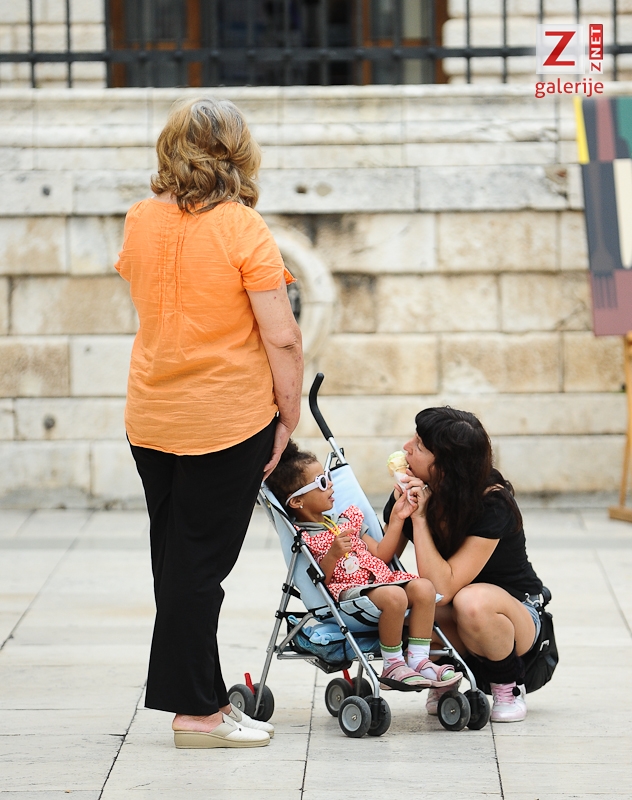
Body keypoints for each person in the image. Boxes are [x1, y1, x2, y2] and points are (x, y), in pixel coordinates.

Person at [114, 97, 303, 749]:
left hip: (151, 416)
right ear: (238, 152)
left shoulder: (140, 218)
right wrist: (289, 412)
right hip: (225, 420)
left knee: (177, 564)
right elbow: (282, 336)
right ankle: (196, 714)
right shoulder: (242, 227)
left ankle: (204, 700)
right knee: (196, 570)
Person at [383, 407, 544, 723]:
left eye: (419, 446)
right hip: (452, 611)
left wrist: (420, 520)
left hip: (512, 614)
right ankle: (445, 676)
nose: (406, 448)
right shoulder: (415, 491)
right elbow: (381, 561)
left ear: (444, 465)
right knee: (398, 606)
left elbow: (443, 588)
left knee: (470, 601)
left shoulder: (492, 503)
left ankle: (508, 685)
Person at [266, 441, 462, 689]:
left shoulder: (347, 520)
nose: (331, 485)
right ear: (297, 502)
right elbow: (320, 581)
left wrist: (397, 518)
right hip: (348, 592)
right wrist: (333, 554)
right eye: (322, 482)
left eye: (328, 477)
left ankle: (419, 660)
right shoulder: (305, 537)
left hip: (379, 582)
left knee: (424, 588)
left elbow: (381, 554)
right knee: (394, 596)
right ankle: (393, 664)